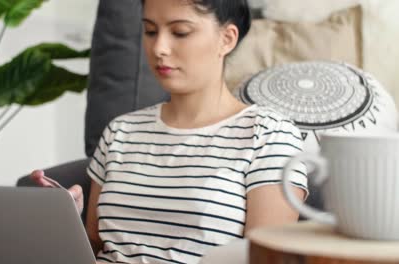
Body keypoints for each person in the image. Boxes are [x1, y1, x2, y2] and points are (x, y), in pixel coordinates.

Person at [32, 0, 308, 263]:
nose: (159, 47)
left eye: (180, 32)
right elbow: (94, 246)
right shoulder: (120, 132)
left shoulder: (269, 136)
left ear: (227, 39)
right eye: (150, 31)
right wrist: (65, 219)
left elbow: (264, 258)